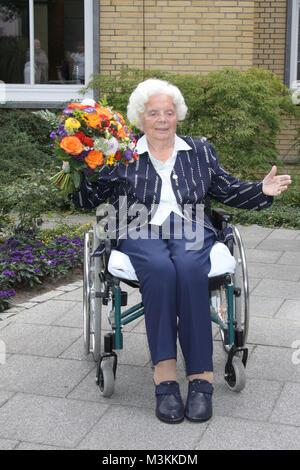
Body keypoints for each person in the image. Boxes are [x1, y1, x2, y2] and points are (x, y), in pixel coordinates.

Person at [70, 79, 291, 424]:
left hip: (191, 226)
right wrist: (79, 166)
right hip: (136, 226)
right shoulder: (120, 152)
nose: (161, 119)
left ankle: (202, 379)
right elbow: (88, 199)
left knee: (189, 269)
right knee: (159, 269)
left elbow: (227, 189)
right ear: (140, 118)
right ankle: (165, 375)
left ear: (178, 117)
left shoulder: (200, 150)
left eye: (168, 112)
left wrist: (261, 190)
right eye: (153, 113)